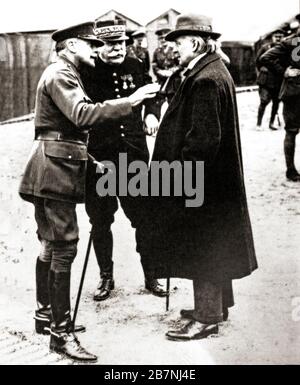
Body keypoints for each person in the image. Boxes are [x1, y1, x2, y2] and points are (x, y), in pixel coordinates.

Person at [18, 21, 159, 362]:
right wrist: (132, 100)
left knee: (51, 245)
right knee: (64, 246)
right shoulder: (61, 75)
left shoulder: (63, 72)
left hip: (55, 166)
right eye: (90, 44)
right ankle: (61, 334)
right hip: (56, 169)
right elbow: (82, 114)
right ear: (71, 46)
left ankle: (46, 316)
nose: (97, 49)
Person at [139, 13, 258, 341]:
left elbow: (203, 142)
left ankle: (206, 318)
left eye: (177, 42)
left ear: (193, 42)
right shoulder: (211, 69)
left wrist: (181, 180)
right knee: (212, 243)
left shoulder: (206, 78)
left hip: (201, 182)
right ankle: (214, 308)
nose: (174, 49)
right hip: (214, 182)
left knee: (203, 245)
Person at [80, 19, 167, 302]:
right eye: (110, 44)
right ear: (97, 46)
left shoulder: (135, 64)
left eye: (121, 43)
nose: (117, 49)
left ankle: (151, 274)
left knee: (144, 217)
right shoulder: (86, 72)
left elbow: (154, 93)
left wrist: (152, 112)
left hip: (133, 158)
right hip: (99, 160)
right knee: (101, 221)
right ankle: (106, 277)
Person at [260, 30, 300, 181]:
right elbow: (265, 57)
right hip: (295, 93)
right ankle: (290, 169)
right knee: (291, 131)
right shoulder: (290, 42)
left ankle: (291, 170)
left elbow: (266, 58)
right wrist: (285, 71)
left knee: (291, 131)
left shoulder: (290, 41)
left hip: (294, 90)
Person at [256, 29, 286, 130]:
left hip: (278, 80)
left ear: (283, 38)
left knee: (276, 102)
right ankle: (258, 124)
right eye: (276, 36)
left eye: (280, 36)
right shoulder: (265, 48)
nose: (278, 38)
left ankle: (272, 123)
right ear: (272, 37)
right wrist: (262, 71)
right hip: (266, 80)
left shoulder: (285, 49)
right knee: (263, 101)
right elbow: (257, 62)